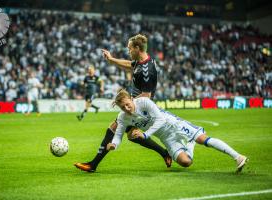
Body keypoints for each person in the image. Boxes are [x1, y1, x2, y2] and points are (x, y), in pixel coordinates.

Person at [74, 34, 171, 172]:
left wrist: (132, 112)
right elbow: (129, 65)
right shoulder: (141, 61)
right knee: (131, 136)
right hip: (133, 105)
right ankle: (164, 153)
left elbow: (146, 97)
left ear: (137, 48)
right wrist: (111, 59)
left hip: (138, 108)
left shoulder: (146, 70)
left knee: (114, 127)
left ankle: (93, 164)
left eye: (129, 48)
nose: (128, 51)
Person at [107, 89, 248, 173]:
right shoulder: (123, 117)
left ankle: (238, 157)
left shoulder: (143, 102)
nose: (126, 108)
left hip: (174, 125)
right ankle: (190, 144)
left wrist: (145, 134)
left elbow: (160, 120)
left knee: (203, 139)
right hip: (166, 138)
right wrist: (114, 144)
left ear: (131, 99)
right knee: (186, 162)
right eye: (122, 107)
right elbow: (118, 135)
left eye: (127, 104)